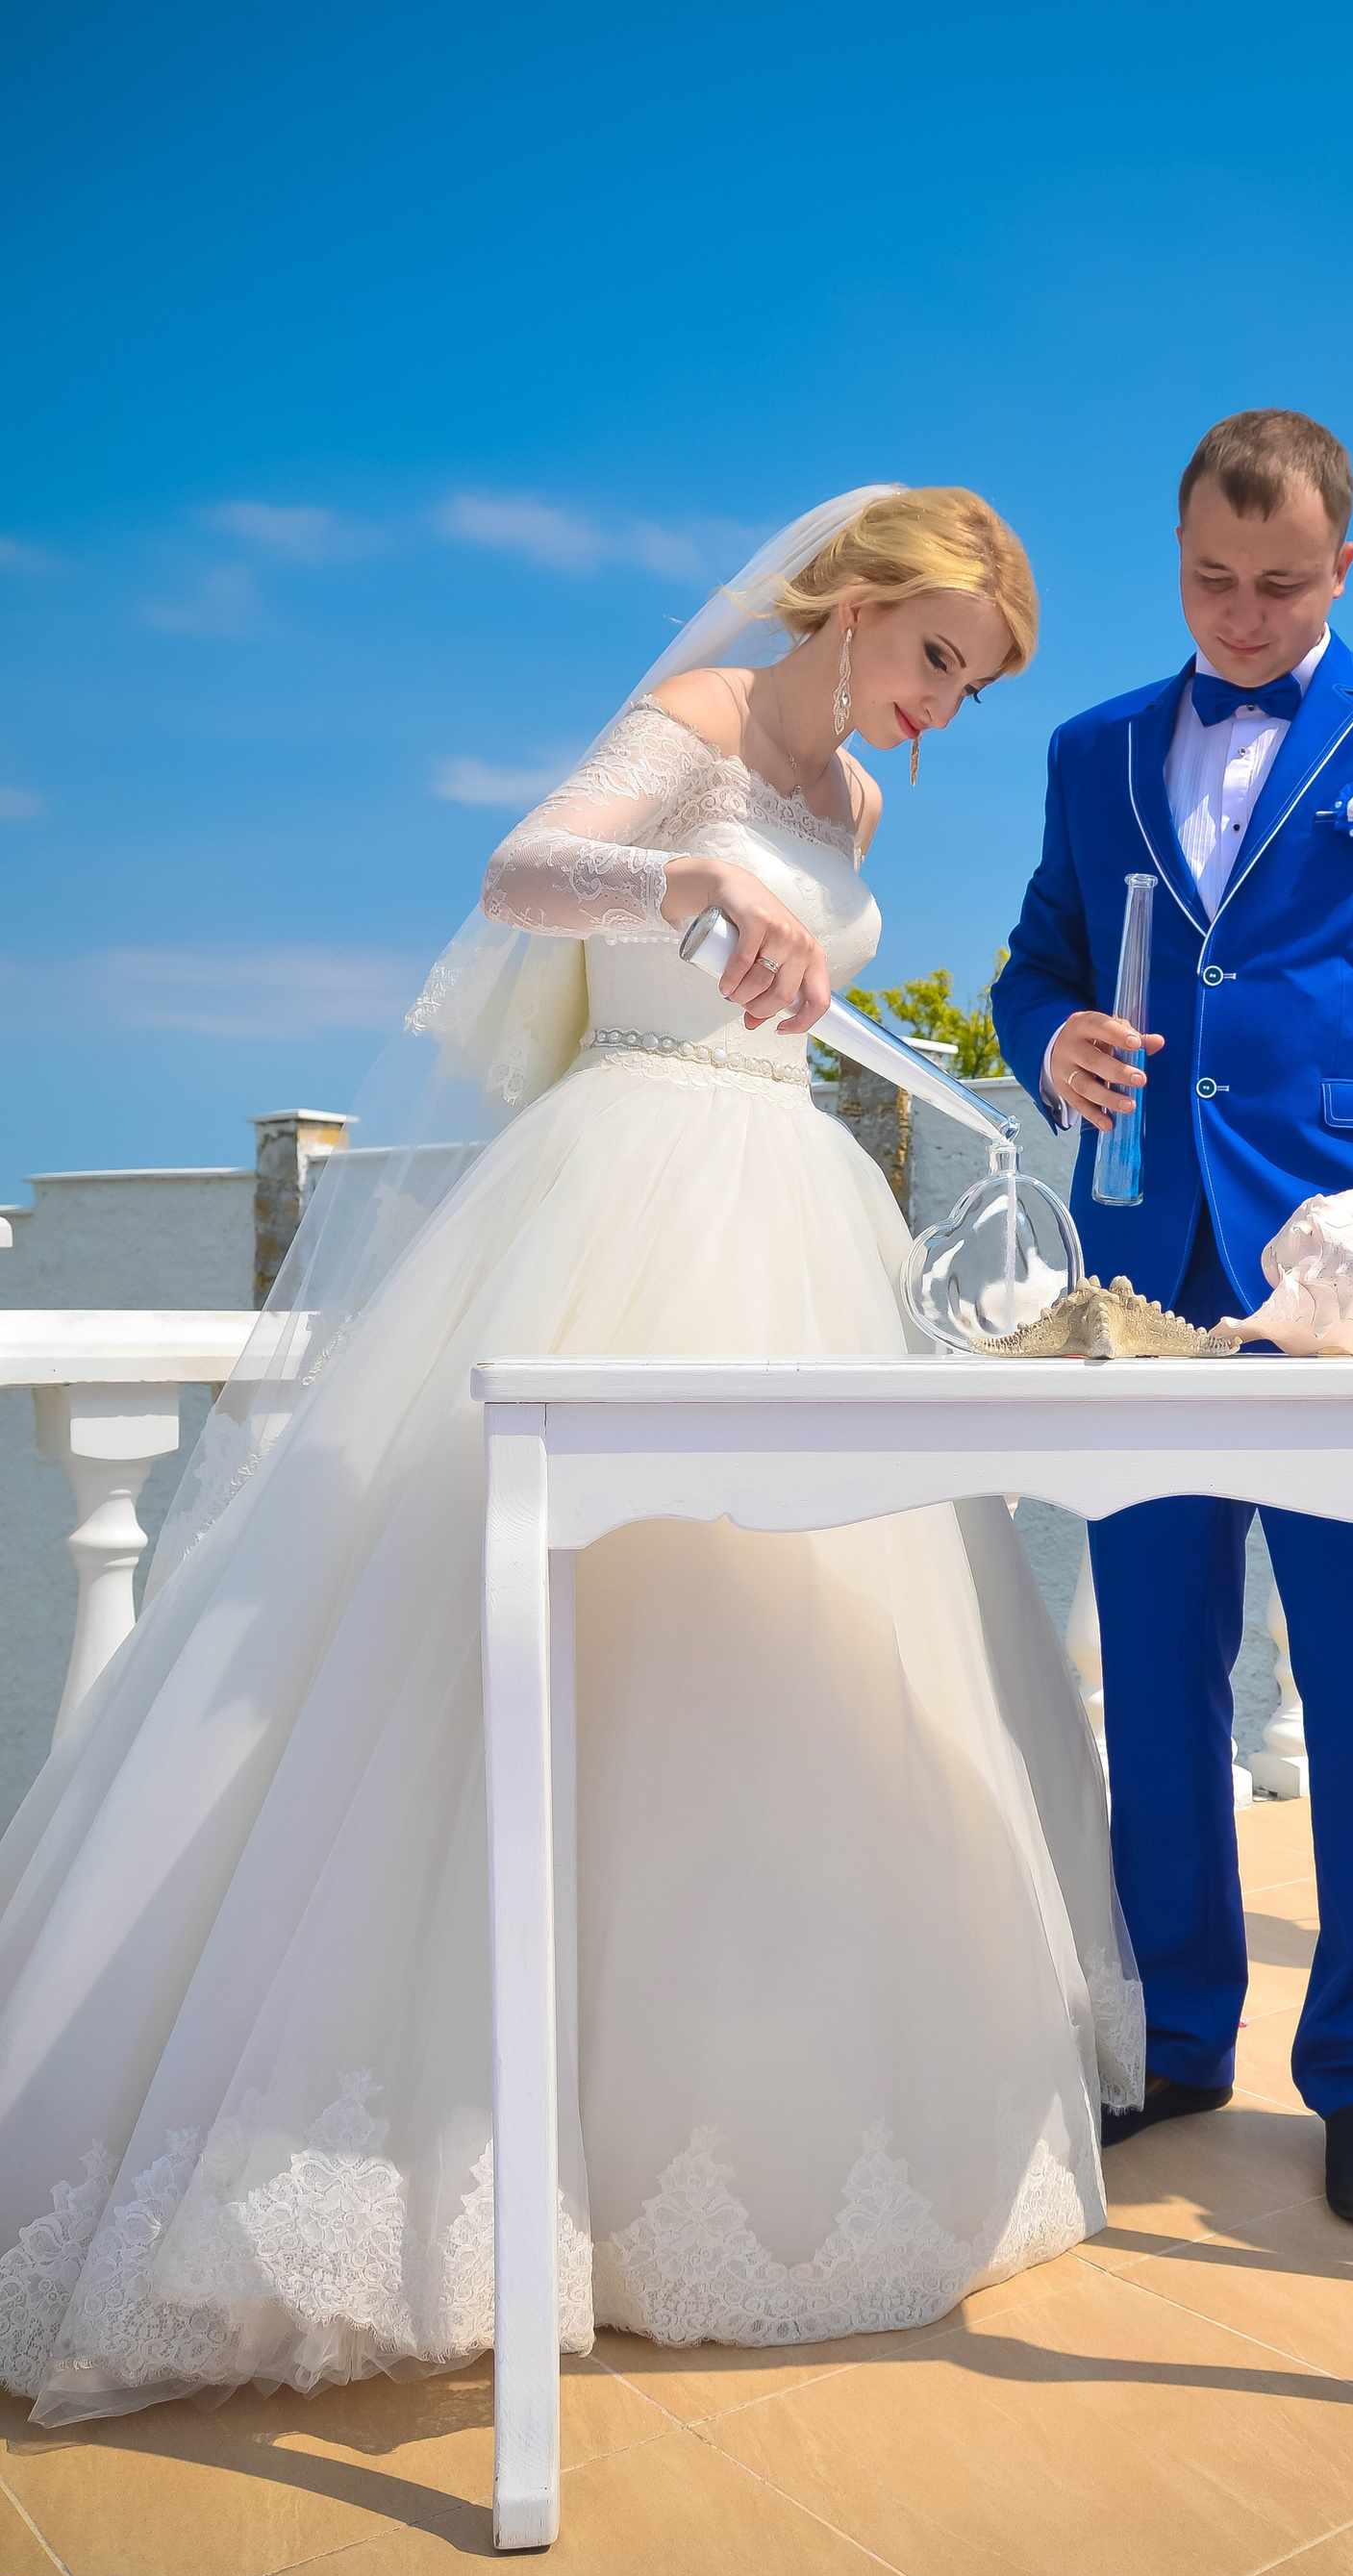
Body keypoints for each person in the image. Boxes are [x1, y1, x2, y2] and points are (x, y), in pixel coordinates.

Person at [0, 488, 1143, 2425]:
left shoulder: (859, 807)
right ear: (857, 603)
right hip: (621, 1198)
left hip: (798, 1218)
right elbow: (523, 870)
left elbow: (798, 1008)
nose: (944, 707)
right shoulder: (701, 718)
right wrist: (690, 882)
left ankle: (714, 2145)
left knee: (777, 1664)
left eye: (975, 684)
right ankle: (473, 2166)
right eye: (938, 657)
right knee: (551, 1643)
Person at [992, 412, 1353, 2222]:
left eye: (1283, 585)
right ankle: (1178, 2040)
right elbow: (1034, 965)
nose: (1243, 617)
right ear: (1176, 560)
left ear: (1344, 568)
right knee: (1157, 1675)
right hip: (1147, 1278)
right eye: (1210, 582)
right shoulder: (1093, 751)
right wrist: (1049, 1042)